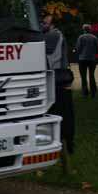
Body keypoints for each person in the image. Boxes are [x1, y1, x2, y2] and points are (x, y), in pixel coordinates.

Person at [43, 14, 75, 156]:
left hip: (57, 81)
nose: (42, 24)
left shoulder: (52, 35)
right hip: (60, 80)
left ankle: (64, 142)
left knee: (60, 113)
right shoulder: (56, 34)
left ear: (52, 24)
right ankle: (67, 143)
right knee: (65, 113)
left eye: (45, 22)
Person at [75, 24, 98, 97]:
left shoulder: (81, 37)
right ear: (90, 30)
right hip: (92, 59)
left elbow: (78, 48)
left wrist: (78, 54)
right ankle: (93, 92)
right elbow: (97, 50)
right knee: (92, 75)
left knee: (83, 76)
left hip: (82, 59)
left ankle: (85, 93)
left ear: (84, 30)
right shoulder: (94, 38)